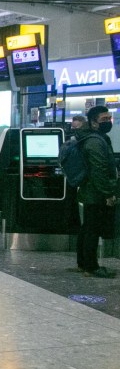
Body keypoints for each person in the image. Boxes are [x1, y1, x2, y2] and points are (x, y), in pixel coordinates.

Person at [75, 106, 118, 278]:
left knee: (87, 228)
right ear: (93, 123)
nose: (108, 122)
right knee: (93, 229)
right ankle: (91, 266)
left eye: (109, 118)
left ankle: (83, 263)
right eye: (104, 119)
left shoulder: (97, 138)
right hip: (95, 192)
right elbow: (99, 170)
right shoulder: (95, 141)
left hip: (91, 190)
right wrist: (108, 193)